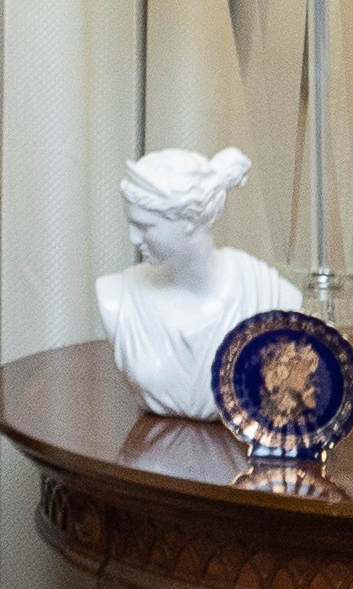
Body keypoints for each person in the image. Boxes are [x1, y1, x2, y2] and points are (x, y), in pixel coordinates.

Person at [94, 147, 296, 418]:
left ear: (189, 220)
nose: (133, 238)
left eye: (144, 226)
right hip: (153, 439)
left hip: (231, 444)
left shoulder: (270, 295)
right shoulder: (117, 296)